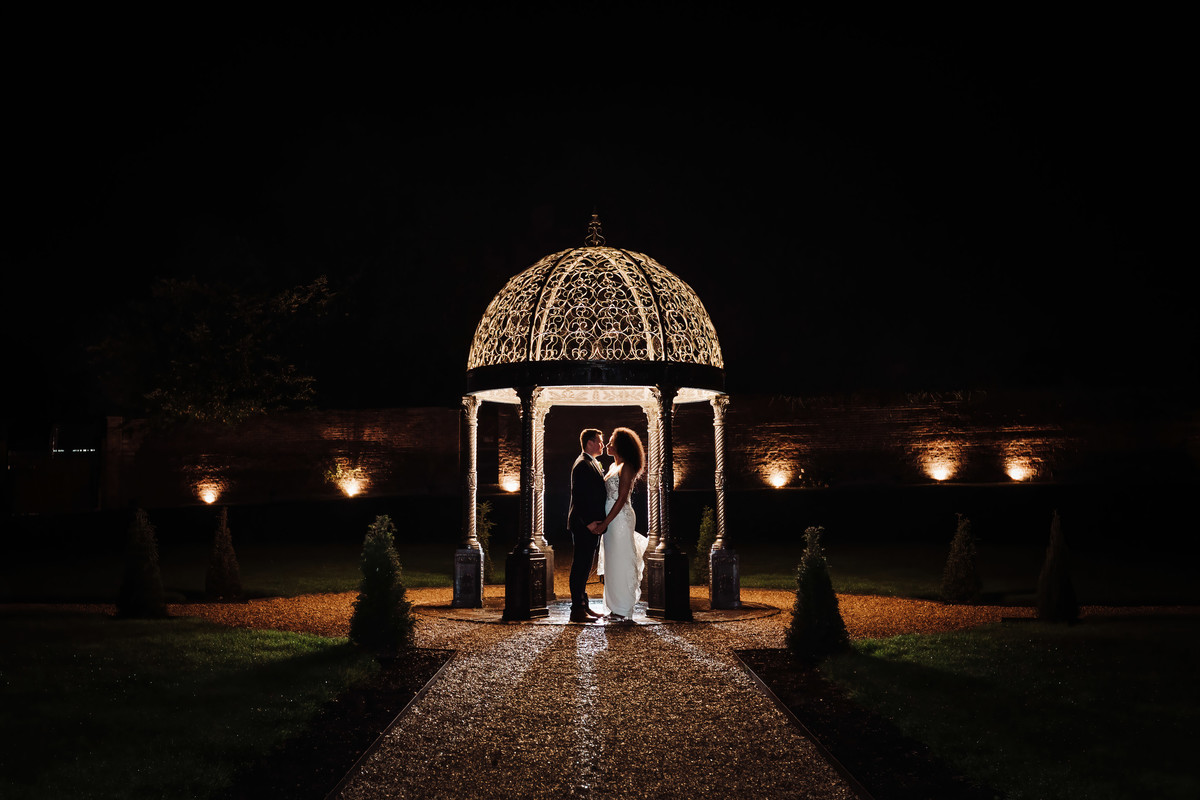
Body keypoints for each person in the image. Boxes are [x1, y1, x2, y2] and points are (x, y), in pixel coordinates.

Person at [594, 427, 648, 624]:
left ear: (621, 445)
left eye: (611, 441)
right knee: (611, 561)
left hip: (620, 519)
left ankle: (624, 608)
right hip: (609, 518)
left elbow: (622, 498)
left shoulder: (627, 467)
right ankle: (613, 606)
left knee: (622, 560)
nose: (608, 444)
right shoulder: (611, 467)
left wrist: (605, 523)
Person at [567, 428, 607, 623]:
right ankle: (577, 609)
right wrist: (589, 522)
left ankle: (584, 605)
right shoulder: (582, 464)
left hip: (590, 524)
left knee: (584, 566)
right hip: (584, 524)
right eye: (599, 441)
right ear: (590, 443)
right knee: (580, 566)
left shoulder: (591, 462)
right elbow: (580, 496)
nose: (602, 445)